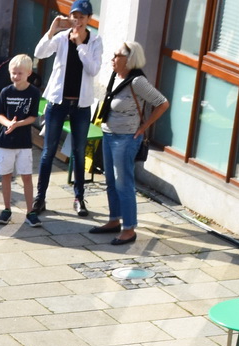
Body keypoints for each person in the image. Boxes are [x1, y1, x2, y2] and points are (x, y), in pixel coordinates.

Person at [91, 42, 167, 247]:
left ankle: (129, 229)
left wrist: (144, 127)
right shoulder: (116, 76)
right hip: (108, 135)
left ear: (129, 59)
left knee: (123, 183)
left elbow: (162, 103)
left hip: (125, 139)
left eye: (117, 56)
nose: (113, 59)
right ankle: (114, 220)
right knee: (111, 181)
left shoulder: (138, 81)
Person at [33, 0, 101, 220]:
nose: (77, 21)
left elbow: (93, 69)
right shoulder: (62, 38)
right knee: (48, 151)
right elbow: (39, 53)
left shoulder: (95, 41)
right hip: (58, 102)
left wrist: (80, 45)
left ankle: (79, 198)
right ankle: (40, 198)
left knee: (79, 152)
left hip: (81, 105)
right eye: (74, 16)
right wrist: (52, 30)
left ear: (89, 19)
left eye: (82, 17)